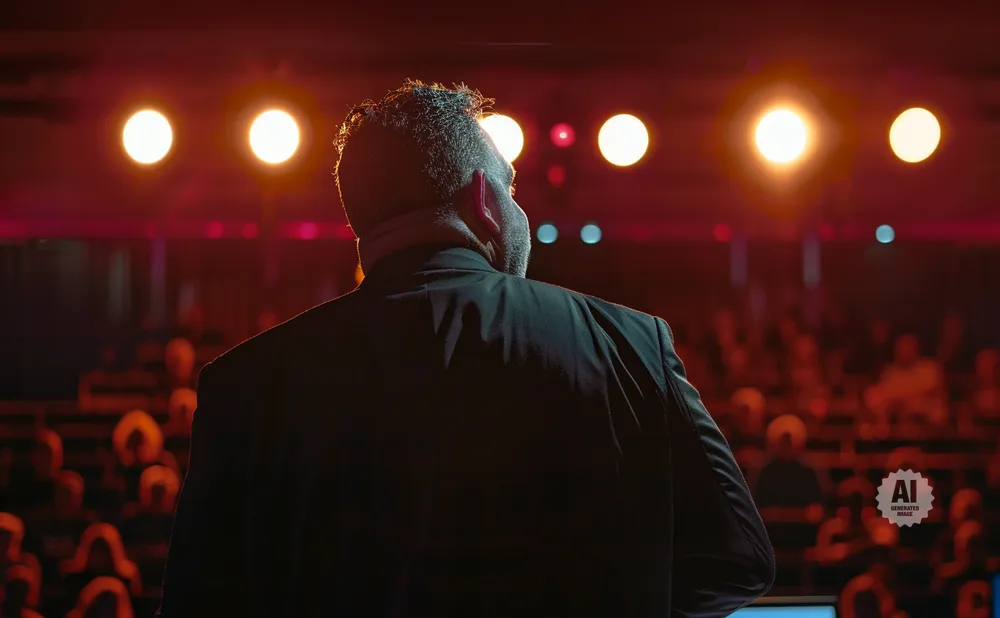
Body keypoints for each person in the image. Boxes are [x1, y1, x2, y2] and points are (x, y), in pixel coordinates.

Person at [159, 80, 774, 618]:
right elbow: (737, 559)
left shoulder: (244, 387)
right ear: (484, 199)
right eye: (512, 189)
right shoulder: (633, 344)